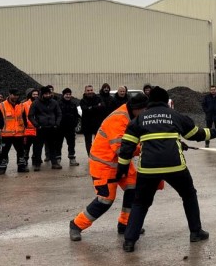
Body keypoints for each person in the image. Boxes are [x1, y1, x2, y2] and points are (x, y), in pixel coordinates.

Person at [117, 86, 216, 252]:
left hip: (148, 169)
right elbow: (195, 134)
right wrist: (215, 132)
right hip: (175, 167)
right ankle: (195, 232)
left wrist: (122, 167)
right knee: (189, 195)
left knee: (140, 203)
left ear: (149, 101)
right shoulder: (175, 116)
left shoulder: (139, 119)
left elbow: (127, 146)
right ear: (166, 100)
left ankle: (129, 241)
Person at [70, 94, 150, 241]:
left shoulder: (132, 116)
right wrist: (145, 147)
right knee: (105, 200)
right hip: (104, 165)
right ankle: (76, 225)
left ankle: (125, 224)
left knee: (134, 188)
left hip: (121, 162)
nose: (146, 113)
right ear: (136, 109)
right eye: (144, 110)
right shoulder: (119, 119)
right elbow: (121, 149)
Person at [30, 86, 63, 170]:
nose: (48, 95)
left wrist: (57, 124)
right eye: (46, 94)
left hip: (52, 127)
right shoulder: (36, 103)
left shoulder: (54, 102)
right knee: (38, 147)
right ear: (42, 94)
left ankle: (54, 163)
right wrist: (37, 125)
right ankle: (37, 164)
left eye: (49, 93)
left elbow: (59, 113)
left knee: (52, 146)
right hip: (41, 128)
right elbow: (30, 116)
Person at [0, 89, 28, 174]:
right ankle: (2, 168)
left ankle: (21, 167)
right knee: (4, 151)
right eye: (14, 95)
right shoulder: (1, 105)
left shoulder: (21, 105)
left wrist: (24, 130)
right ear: (9, 94)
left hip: (19, 134)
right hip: (6, 134)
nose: (16, 97)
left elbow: (24, 119)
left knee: (20, 151)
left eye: (17, 95)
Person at [79, 85, 104, 154]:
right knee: (88, 141)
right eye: (88, 90)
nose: (90, 92)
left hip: (97, 124)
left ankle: (98, 154)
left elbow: (102, 106)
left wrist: (91, 108)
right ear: (85, 91)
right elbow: (85, 109)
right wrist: (96, 106)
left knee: (98, 140)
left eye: (91, 90)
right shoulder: (82, 101)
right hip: (87, 124)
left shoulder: (98, 98)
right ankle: (90, 156)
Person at [59, 88, 81, 167]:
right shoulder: (59, 104)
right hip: (60, 128)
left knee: (71, 144)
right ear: (63, 95)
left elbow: (76, 115)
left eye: (69, 94)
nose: (68, 96)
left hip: (70, 128)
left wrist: (74, 123)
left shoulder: (73, 104)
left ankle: (72, 159)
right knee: (58, 144)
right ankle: (58, 159)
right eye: (66, 94)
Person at [22, 88, 40, 170]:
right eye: (34, 94)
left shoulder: (41, 103)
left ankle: (36, 163)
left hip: (37, 129)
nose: (35, 96)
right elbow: (22, 117)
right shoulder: (24, 104)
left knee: (37, 148)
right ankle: (25, 162)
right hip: (28, 130)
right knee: (26, 148)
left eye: (37, 94)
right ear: (30, 95)